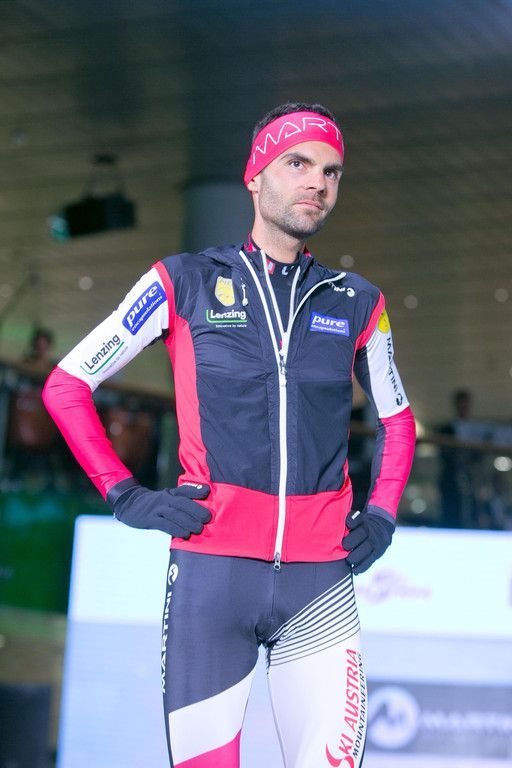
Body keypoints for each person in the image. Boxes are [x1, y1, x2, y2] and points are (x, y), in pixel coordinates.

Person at [43, 102, 416, 768]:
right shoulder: (181, 282)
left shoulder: (358, 301)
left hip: (321, 581)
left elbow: (398, 419)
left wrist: (384, 513)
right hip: (211, 574)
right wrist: (125, 495)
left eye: (331, 171)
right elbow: (66, 385)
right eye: (298, 163)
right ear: (255, 175)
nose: (317, 181)